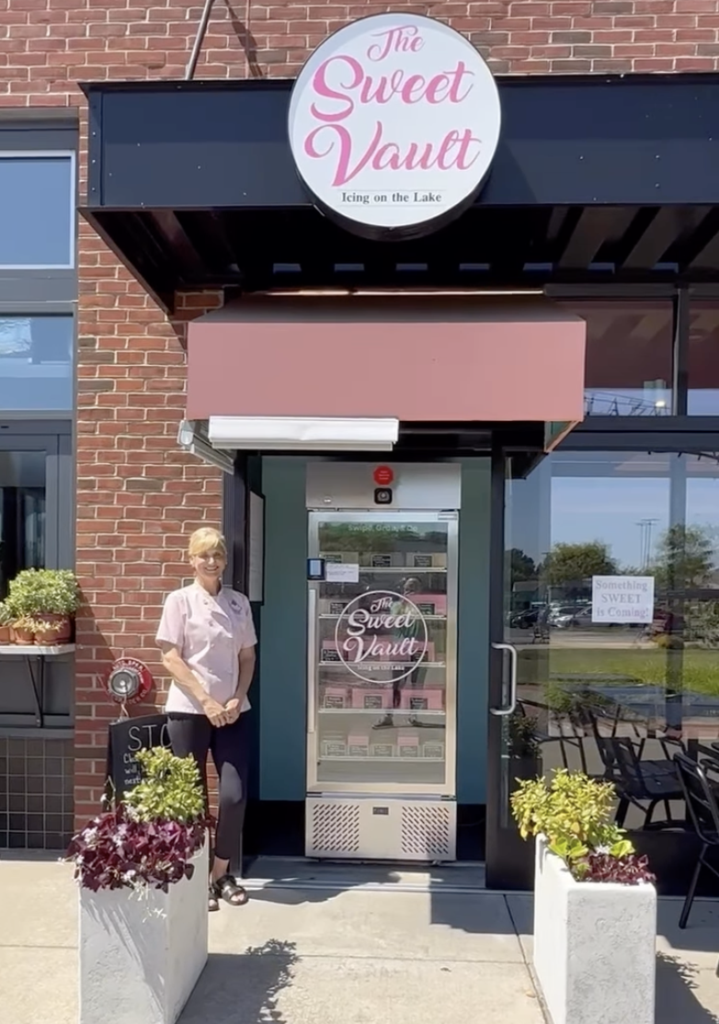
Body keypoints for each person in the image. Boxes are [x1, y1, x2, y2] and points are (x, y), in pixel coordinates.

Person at [156, 526, 257, 912]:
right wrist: (205, 700)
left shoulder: (238, 603)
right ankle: (196, 877)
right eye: (204, 555)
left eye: (217, 554)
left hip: (233, 711)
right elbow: (170, 657)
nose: (212, 561)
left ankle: (221, 872)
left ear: (225, 560)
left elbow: (247, 658)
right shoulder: (179, 601)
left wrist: (236, 697)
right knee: (191, 796)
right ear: (191, 559)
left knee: (232, 795)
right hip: (189, 710)